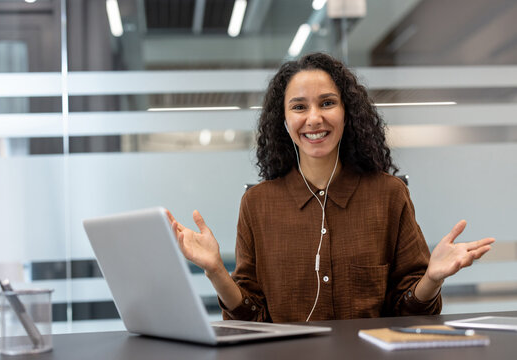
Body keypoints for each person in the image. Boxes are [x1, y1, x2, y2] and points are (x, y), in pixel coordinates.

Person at [167, 52, 494, 323]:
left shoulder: (389, 194)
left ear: (346, 113)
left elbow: (408, 312)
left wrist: (432, 279)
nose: (313, 118)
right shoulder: (257, 203)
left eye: (326, 103)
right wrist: (215, 272)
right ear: (284, 121)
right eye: (299, 107)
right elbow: (250, 318)